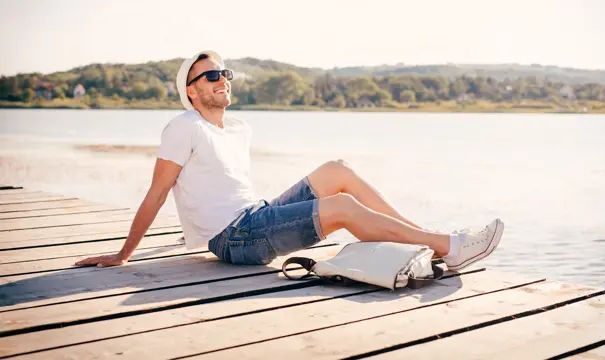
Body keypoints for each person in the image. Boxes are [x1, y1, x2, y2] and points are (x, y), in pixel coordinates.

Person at [76, 50, 504, 270]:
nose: (221, 79)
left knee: (337, 170)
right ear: (190, 90)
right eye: (210, 75)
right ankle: (446, 246)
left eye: (225, 73)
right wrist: (123, 254)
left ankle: (425, 237)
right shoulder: (184, 126)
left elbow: (215, 191)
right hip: (233, 240)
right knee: (341, 209)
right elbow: (157, 194)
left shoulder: (238, 128)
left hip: (254, 217)